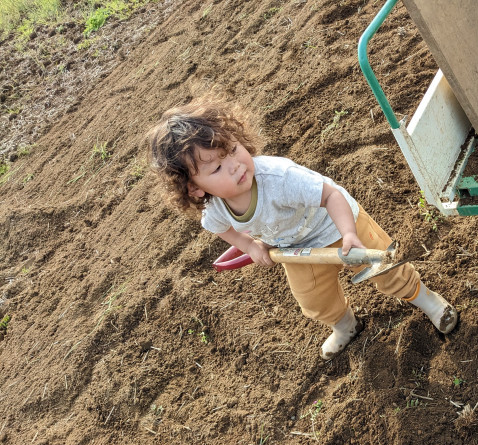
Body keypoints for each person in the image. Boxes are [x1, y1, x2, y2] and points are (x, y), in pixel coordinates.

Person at [147, 98, 457, 359]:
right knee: (314, 300)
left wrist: (349, 233)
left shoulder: (279, 178)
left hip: (336, 222)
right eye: (216, 167)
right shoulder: (215, 208)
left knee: (386, 269)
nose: (235, 165)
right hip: (296, 250)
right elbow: (220, 229)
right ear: (194, 189)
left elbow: (331, 195)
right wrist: (252, 246)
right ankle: (345, 324)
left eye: (232, 150)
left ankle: (427, 300)